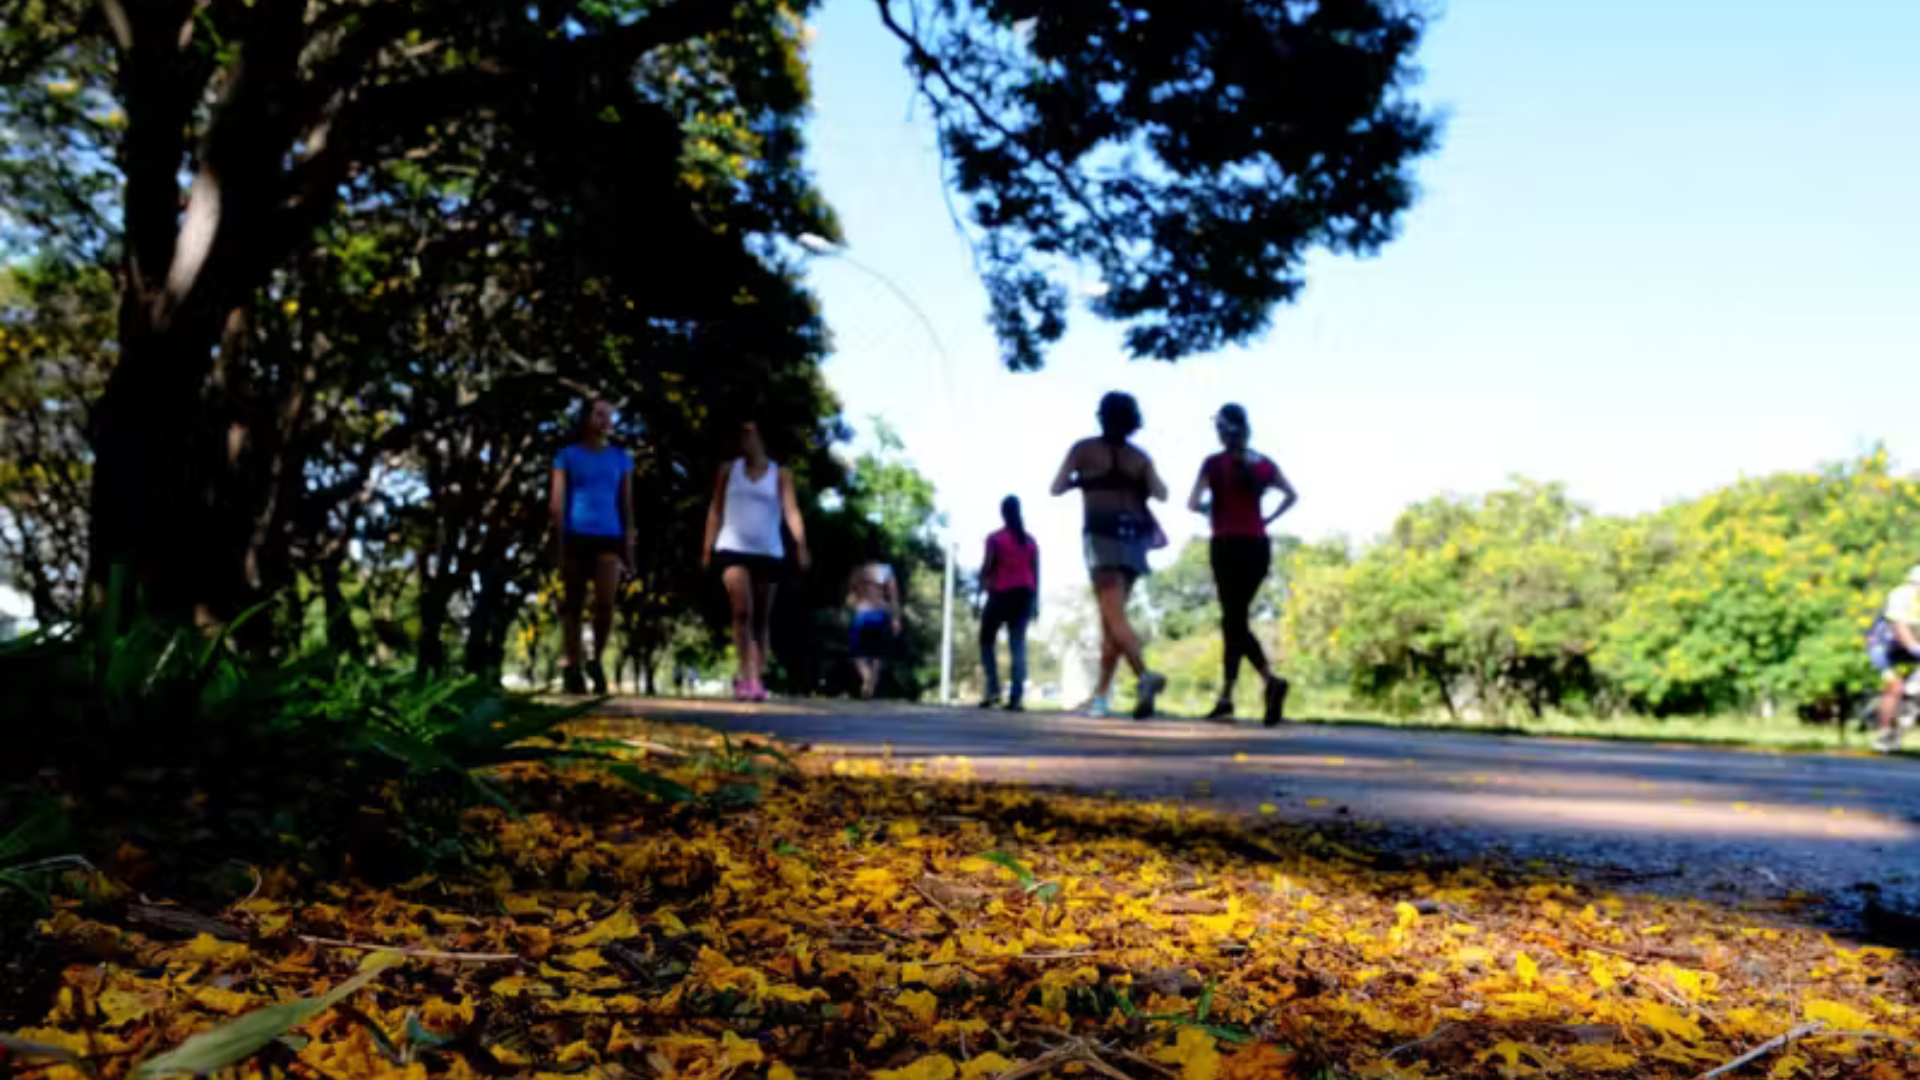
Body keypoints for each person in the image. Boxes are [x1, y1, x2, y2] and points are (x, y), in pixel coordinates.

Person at [1050, 391, 1168, 719]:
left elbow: (1056, 487)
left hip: (1100, 533)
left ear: (1101, 416)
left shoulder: (1083, 449)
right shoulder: (1139, 458)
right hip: (1133, 536)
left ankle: (1144, 675)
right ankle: (1100, 698)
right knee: (1111, 620)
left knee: (1113, 615)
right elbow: (1162, 493)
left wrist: (1083, 482)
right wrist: (1134, 483)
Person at [1188, 403, 1299, 725]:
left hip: (1226, 544)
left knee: (1233, 620)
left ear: (1224, 430)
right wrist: (1267, 518)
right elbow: (1292, 495)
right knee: (1234, 620)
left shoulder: (1213, 464)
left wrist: (1211, 510)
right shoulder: (1263, 463)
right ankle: (1233, 693)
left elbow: (1193, 502)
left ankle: (1253, 687)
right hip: (1257, 545)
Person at [702, 420, 811, 701]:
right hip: (732, 548)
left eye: (751, 432)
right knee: (742, 611)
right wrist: (707, 546)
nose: (745, 438)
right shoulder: (728, 470)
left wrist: (800, 545)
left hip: (768, 551)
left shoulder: (779, 474)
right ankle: (744, 673)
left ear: (762, 437)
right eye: (742, 433)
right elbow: (715, 508)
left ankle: (757, 678)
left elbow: (791, 511)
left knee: (761, 618)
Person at [549, 396, 634, 695]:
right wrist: (558, 545)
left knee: (605, 603)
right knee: (573, 604)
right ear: (586, 419)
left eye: (608, 416)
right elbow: (557, 503)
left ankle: (595, 658)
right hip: (575, 535)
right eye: (599, 415)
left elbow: (626, 505)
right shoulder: (566, 456)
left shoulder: (621, 458)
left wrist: (629, 549)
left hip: (608, 536)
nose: (605, 421)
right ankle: (572, 665)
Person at [979, 496, 1040, 711]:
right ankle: (1016, 697)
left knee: (986, 641)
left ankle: (993, 690)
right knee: (1018, 645)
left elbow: (987, 567)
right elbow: (1036, 574)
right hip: (1024, 596)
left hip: (1001, 594)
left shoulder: (995, 539)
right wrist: (1035, 605)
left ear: (1002, 513)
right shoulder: (1030, 541)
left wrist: (980, 592)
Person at [1866, 565, 1920, 753]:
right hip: (1884, 648)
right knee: (1895, 687)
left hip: (1911, 649)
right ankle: (1885, 732)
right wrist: (1915, 647)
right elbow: (1900, 627)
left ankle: (1910, 710)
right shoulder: (1900, 595)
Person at [846, 559, 901, 699]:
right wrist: (895, 618)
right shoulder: (885, 570)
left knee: (858, 653)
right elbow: (894, 595)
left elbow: (851, 599)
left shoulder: (859, 570)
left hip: (862, 615)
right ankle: (870, 683)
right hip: (880, 615)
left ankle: (866, 677)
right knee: (878, 654)